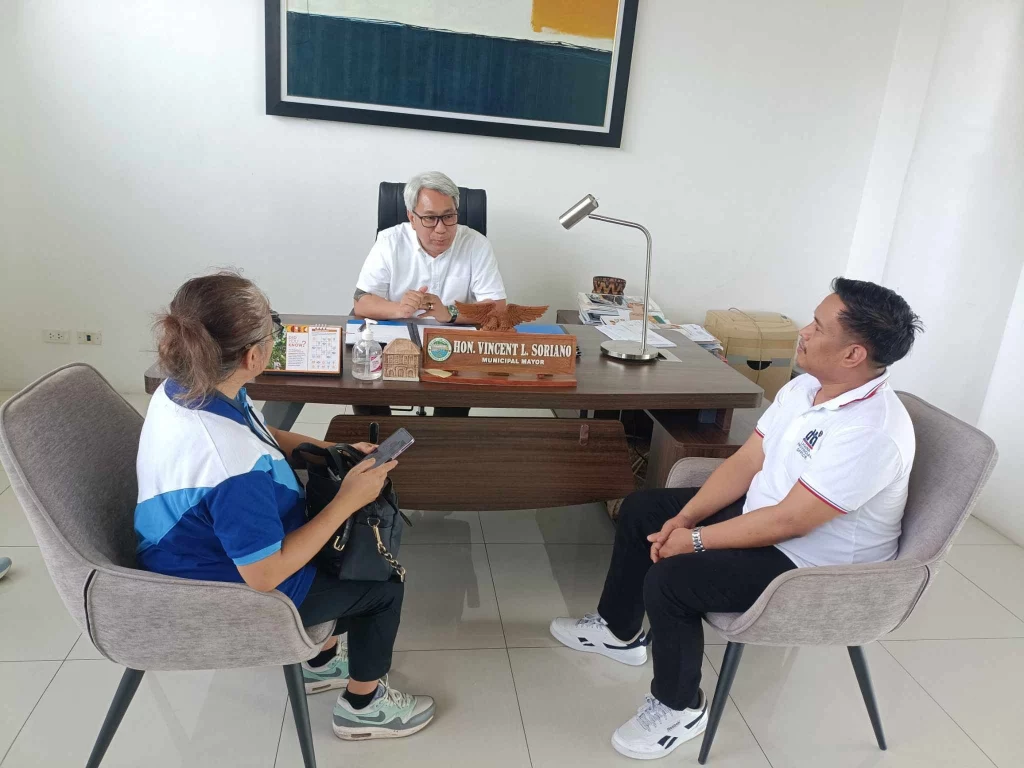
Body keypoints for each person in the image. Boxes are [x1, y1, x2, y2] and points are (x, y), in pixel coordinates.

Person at [551, 277, 922, 760]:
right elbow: (748, 462)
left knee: (671, 579)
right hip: (768, 517)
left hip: (813, 563)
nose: (803, 331)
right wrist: (683, 518)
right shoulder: (808, 387)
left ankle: (680, 706)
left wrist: (696, 541)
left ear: (853, 354)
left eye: (817, 325)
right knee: (646, 508)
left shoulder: (871, 432)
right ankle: (619, 632)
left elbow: (792, 522)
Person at [135, 271, 434, 741]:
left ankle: (319, 661)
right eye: (273, 327)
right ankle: (363, 705)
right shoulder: (231, 468)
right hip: (218, 579)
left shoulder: (190, 385)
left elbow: (261, 432)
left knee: (341, 534)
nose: (277, 336)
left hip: (193, 537)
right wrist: (346, 500)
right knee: (384, 585)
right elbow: (265, 575)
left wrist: (328, 450)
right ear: (254, 355)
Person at [352, 171, 507, 417]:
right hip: (394, 341)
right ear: (412, 218)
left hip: (453, 345)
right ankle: (377, 441)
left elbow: (497, 307)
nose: (441, 228)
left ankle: (443, 447)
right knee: (366, 391)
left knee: (450, 418)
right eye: (430, 218)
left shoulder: (475, 244)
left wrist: (451, 313)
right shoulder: (389, 241)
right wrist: (398, 309)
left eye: (449, 216)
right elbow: (361, 302)